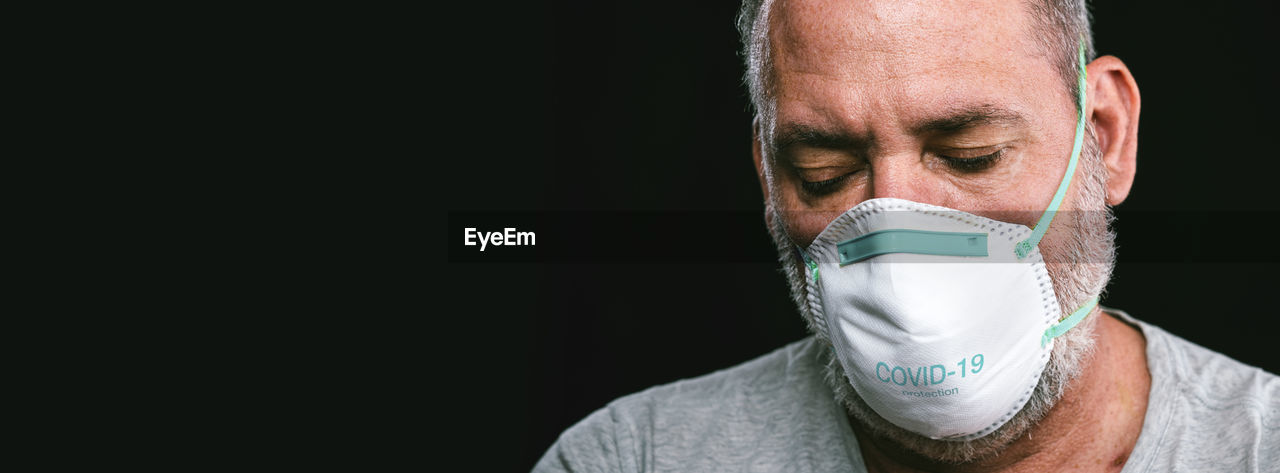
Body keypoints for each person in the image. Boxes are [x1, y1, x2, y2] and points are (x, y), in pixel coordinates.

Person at [534, 0, 1279, 471]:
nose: (895, 232)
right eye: (824, 172)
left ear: (1106, 137)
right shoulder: (634, 458)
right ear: (769, 181)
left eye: (970, 156)